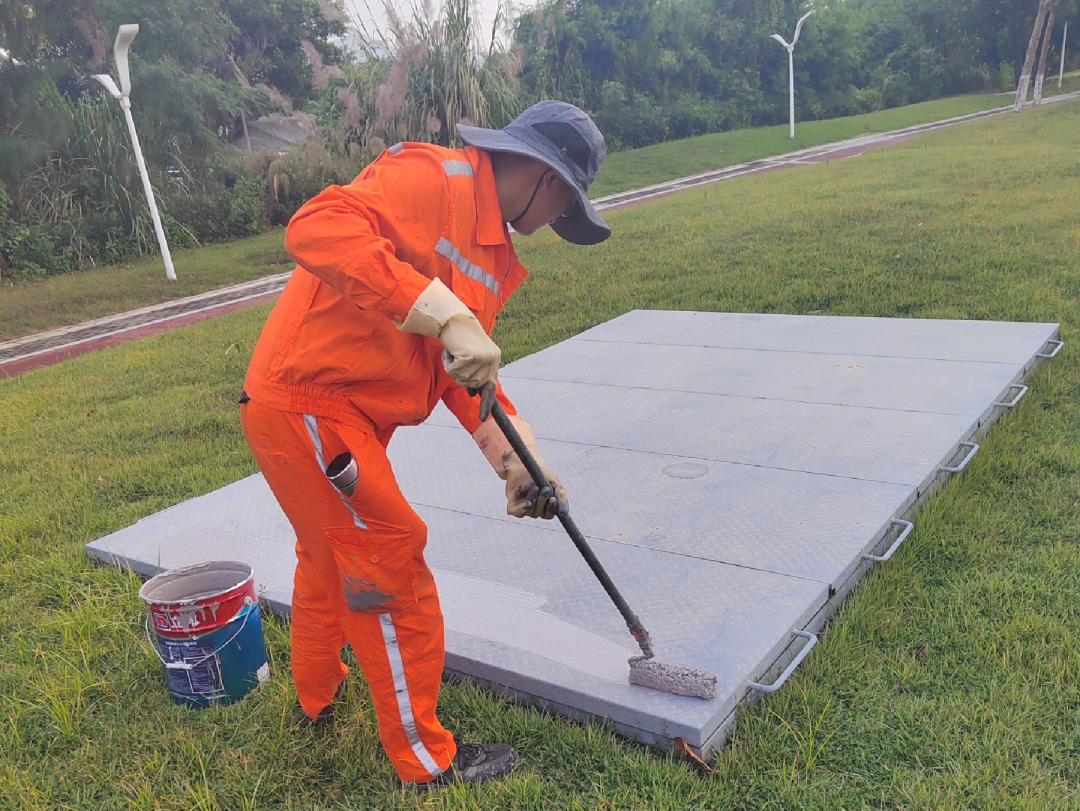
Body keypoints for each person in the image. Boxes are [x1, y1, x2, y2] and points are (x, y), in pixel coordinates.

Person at [239, 100, 611, 789]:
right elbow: (315, 226)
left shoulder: (494, 255)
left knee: (329, 556)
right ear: (544, 174)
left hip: (341, 416)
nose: (560, 217)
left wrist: (517, 460)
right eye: (566, 198)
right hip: (309, 402)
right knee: (388, 557)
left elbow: (462, 373)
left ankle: (318, 697)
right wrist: (443, 311)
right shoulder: (432, 177)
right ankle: (427, 760)